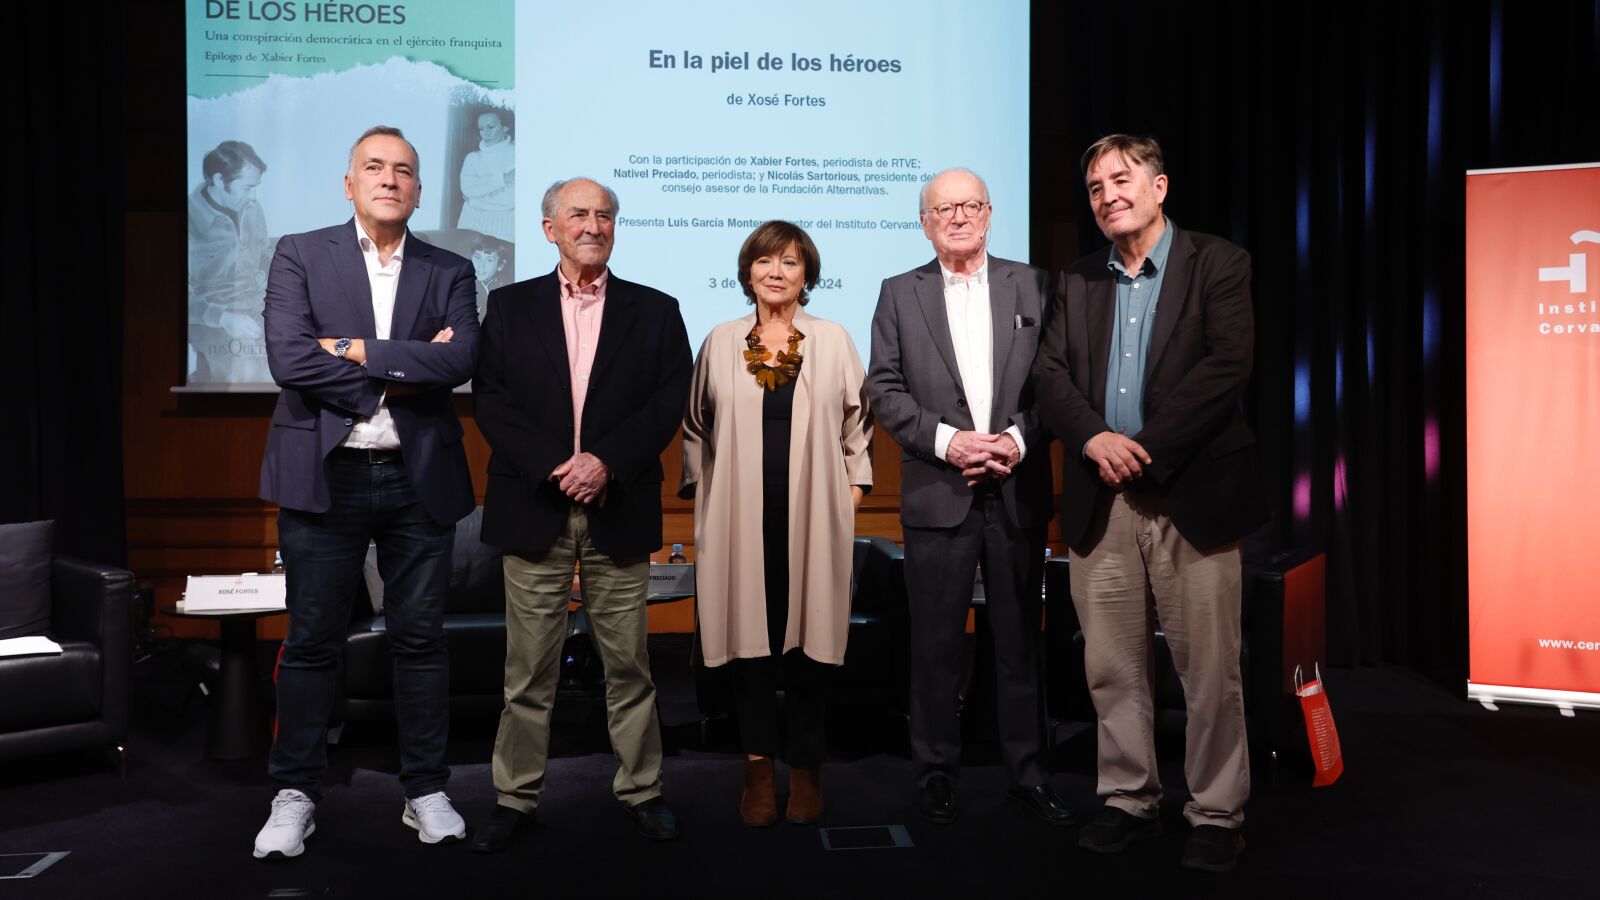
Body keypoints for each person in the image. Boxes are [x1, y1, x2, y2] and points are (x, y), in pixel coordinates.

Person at [1030, 134, 1270, 873]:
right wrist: (1095, 439)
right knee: (1112, 667)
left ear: (1159, 187)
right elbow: (1049, 376)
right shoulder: (1076, 280)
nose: (1108, 196)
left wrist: (1143, 447)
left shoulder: (1218, 263)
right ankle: (1129, 798)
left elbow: (1227, 366)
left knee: (1209, 670)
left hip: (1191, 494)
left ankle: (1216, 812)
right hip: (1101, 498)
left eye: (1122, 179)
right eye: (1095, 187)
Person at [253, 126, 481, 859]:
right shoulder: (299, 252)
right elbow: (289, 358)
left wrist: (353, 350)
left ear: (418, 190)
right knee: (312, 642)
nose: (390, 179)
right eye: (374, 167)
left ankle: (426, 790)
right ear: (349, 183)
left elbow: (461, 361)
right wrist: (403, 368)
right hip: (326, 473)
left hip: (419, 477)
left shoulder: (449, 268)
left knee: (420, 641)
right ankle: (295, 793)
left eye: (403, 170)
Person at [470, 178, 691, 852]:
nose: (593, 225)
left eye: (604, 215)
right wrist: (555, 465)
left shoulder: (656, 310)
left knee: (629, 667)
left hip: (617, 504)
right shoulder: (509, 306)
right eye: (578, 214)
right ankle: (514, 798)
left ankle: (643, 790)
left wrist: (605, 462)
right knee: (527, 672)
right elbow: (491, 399)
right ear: (550, 229)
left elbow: (669, 399)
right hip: (534, 504)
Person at [866, 168, 1070, 827]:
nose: (957, 217)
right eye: (943, 208)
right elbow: (885, 389)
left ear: (988, 213)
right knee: (935, 646)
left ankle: (1028, 776)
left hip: (1016, 488)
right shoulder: (898, 292)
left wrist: (1017, 440)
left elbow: (1059, 383)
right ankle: (934, 773)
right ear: (924, 222)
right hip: (938, 492)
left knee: (1020, 643)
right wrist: (949, 442)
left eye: (970, 205)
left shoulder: (1035, 285)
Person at [680, 221, 873, 827]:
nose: (776, 272)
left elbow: (858, 423)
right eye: (765, 261)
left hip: (814, 516)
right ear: (748, 272)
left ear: (806, 274)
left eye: (790, 262)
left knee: (810, 653)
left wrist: (853, 493)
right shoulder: (720, 340)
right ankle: (758, 772)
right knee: (751, 653)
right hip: (739, 518)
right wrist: (706, 501)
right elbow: (695, 426)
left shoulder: (833, 339)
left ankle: (807, 771)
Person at [188, 139, 275, 382]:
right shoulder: (187, 219)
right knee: (242, 377)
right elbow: (175, 296)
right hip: (212, 321)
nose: (253, 196)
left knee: (293, 370)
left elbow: (264, 256)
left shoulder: (253, 210)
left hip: (259, 310)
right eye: (247, 187)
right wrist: (224, 318)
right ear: (218, 181)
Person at [457, 110, 515, 242]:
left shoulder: (517, 154)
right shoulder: (472, 158)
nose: (485, 133)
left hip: (504, 230)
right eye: (481, 128)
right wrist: (504, 178)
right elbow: (468, 189)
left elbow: (510, 201)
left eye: (491, 127)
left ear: (505, 127)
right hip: (469, 225)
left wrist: (473, 201)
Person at [469, 235, 512, 321]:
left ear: (500, 265)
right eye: (477, 257)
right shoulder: (464, 284)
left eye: (489, 260)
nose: (481, 265)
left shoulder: (506, 288)